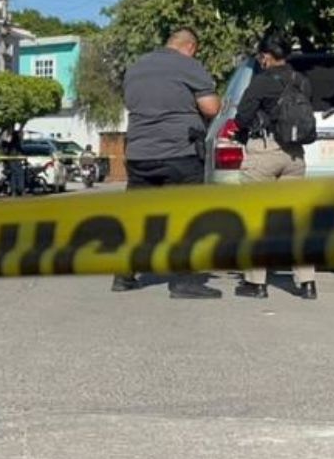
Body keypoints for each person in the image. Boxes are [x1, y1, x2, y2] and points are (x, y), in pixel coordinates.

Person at [112, 28, 222, 297]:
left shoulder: (136, 68)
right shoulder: (188, 65)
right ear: (190, 47)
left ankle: (123, 276)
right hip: (179, 152)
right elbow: (211, 108)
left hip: (139, 153)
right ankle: (184, 282)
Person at [230, 33, 318, 300]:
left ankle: (256, 284)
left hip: (265, 152)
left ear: (266, 56)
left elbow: (242, 117)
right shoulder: (302, 81)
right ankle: (308, 282)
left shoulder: (261, 81)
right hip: (294, 156)